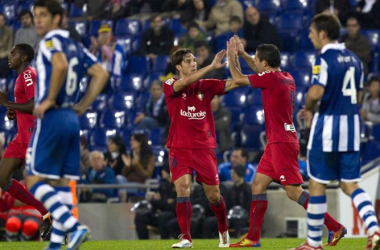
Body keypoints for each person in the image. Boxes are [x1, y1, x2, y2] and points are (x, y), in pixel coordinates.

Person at [225, 36, 345, 248]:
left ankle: (335, 227)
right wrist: (244, 55)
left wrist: (231, 56)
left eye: (257, 59)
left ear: (264, 63)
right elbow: (258, 69)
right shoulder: (286, 76)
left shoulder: (270, 79)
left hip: (281, 142)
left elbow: (237, 78)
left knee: (293, 192)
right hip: (278, 142)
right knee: (258, 184)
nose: (255, 62)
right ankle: (253, 237)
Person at [290, 14, 380, 250]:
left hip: (328, 128)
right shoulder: (354, 59)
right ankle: (374, 228)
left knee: (317, 183)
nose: (309, 37)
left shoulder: (324, 58)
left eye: (311, 32)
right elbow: (359, 96)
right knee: (350, 185)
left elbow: (316, 92)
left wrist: (309, 108)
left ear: (322, 33)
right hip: (351, 129)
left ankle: (312, 243)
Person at [25, 1, 108, 250]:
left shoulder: (50, 42)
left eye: (43, 15)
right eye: (36, 15)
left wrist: (49, 99)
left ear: (58, 18)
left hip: (52, 117)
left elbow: (59, 65)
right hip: (73, 119)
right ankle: (55, 246)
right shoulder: (76, 46)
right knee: (61, 184)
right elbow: (101, 74)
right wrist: (82, 106)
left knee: (33, 180)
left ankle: (74, 226)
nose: (38, 20)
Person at [163, 46, 246, 248]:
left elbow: (234, 83)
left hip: (204, 148)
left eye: (194, 60)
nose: (193, 63)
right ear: (178, 66)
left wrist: (237, 61)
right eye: (189, 61)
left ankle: (223, 230)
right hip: (179, 147)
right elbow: (184, 83)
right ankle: (186, 238)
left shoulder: (206, 86)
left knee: (214, 196)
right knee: (182, 189)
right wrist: (211, 66)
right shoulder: (170, 83)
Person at [0, 43, 52, 239]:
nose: (9, 56)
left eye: (13, 53)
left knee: (40, 184)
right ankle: (46, 213)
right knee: (2, 178)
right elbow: (25, 105)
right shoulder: (21, 77)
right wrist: (13, 110)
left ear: (23, 58)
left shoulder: (28, 75)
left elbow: (34, 104)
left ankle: (60, 222)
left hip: (32, 138)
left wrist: (6, 103)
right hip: (20, 137)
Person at [134, 163, 177, 239]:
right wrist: (166, 201)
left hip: (172, 216)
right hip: (159, 213)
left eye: (164, 170)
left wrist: (160, 201)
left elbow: (174, 206)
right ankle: (143, 244)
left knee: (163, 216)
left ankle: (164, 242)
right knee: (140, 216)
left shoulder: (178, 186)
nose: (162, 172)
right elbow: (153, 202)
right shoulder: (163, 186)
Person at [0, 13, 14, 78]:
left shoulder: (9, 31)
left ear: (4, 21)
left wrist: (1, 55)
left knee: (4, 64)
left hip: (5, 56)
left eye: (2, 20)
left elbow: (10, 48)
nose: (0, 22)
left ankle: (4, 83)